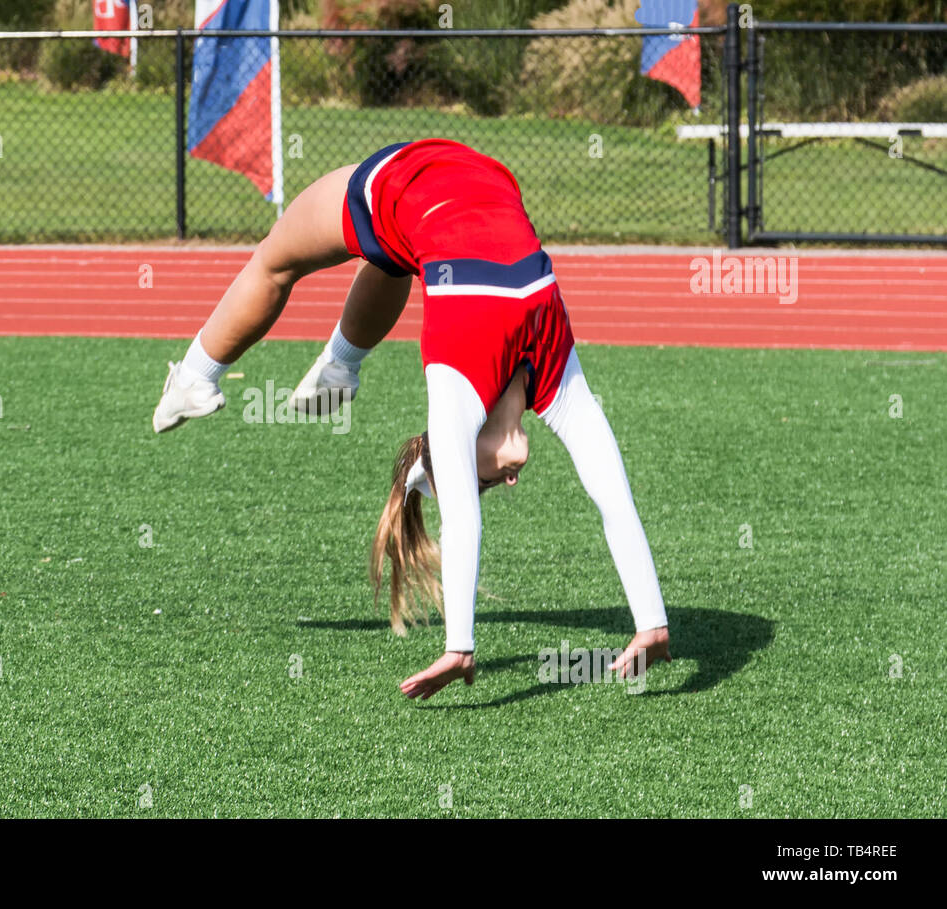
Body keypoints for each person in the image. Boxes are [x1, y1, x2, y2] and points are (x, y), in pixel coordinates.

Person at [153, 138, 671, 699]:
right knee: (281, 260)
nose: (511, 478)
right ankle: (208, 379)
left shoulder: (457, 384)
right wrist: (651, 620)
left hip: (407, 183)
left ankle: (240, 378)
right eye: (489, 483)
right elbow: (611, 493)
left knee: (304, 259)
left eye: (487, 481)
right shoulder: (551, 360)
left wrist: (460, 647)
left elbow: (469, 519)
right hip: (464, 177)